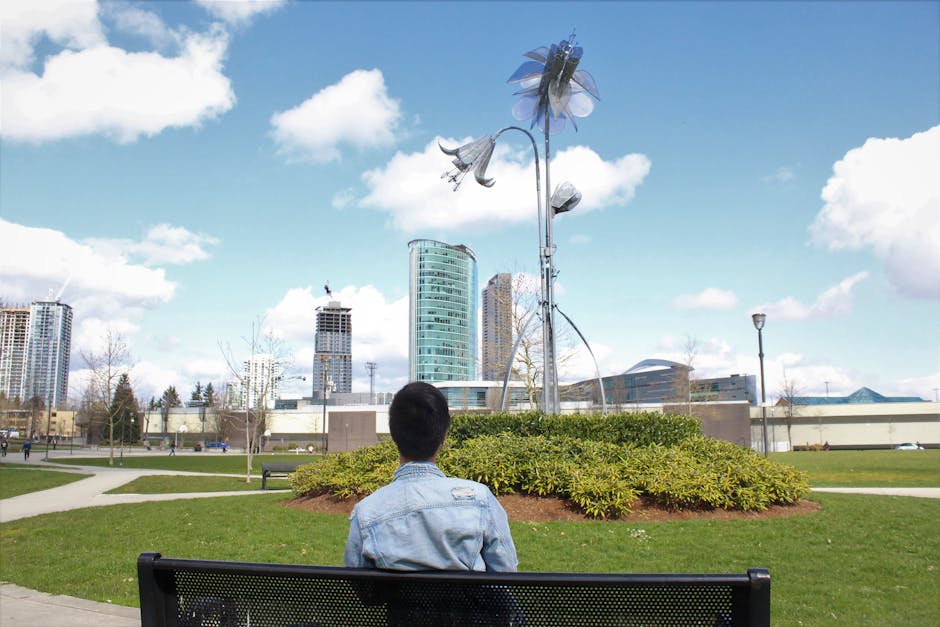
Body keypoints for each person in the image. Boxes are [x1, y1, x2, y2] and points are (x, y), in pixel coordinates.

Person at [344, 382, 520, 624]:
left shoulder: (366, 513)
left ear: (393, 434)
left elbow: (366, 591)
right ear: (444, 436)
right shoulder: (480, 499)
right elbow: (505, 574)